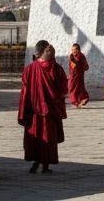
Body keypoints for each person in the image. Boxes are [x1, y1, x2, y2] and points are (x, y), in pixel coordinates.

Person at [18, 41, 68, 173]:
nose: (51, 53)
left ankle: (45, 165)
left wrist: (61, 96)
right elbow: (25, 90)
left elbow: (63, 85)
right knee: (35, 138)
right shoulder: (30, 69)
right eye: (48, 51)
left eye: (52, 50)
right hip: (35, 111)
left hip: (50, 110)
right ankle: (35, 161)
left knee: (48, 138)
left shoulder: (56, 68)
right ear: (40, 52)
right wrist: (25, 107)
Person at [68, 42, 90, 107]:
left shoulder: (80, 55)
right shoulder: (72, 55)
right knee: (79, 88)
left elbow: (76, 61)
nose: (74, 51)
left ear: (79, 50)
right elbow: (71, 66)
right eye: (73, 49)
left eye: (75, 49)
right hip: (73, 75)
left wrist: (72, 59)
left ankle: (76, 102)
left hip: (77, 75)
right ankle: (83, 99)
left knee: (72, 88)